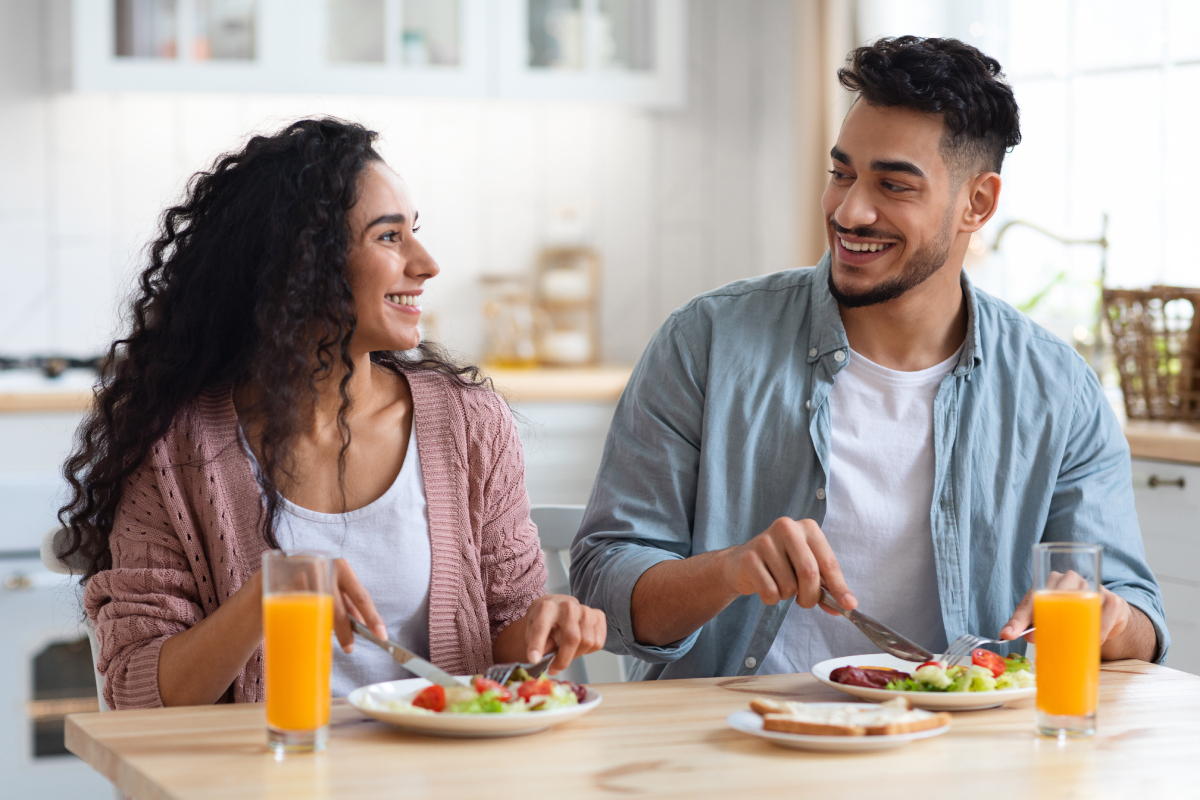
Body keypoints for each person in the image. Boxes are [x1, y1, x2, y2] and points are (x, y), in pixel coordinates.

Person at [570, 37, 1166, 680]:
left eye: (893, 184)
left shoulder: (1057, 389)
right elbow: (603, 582)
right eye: (842, 173)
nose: (849, 210)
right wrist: (728, 569)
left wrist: (1108, 617)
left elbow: (1139, 618)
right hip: (733, 744)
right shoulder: (707, 342)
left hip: (959, 756)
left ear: (978, 204)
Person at [59, 118, 606, 710]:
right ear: (303, 267)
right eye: (389, 238)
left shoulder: (469, 423)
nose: (426, 263)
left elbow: (500, 644)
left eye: (413, 232)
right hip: (269, 773)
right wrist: (265, 598)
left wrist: (543, 630)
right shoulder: (177, 450)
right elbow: (135, 691)